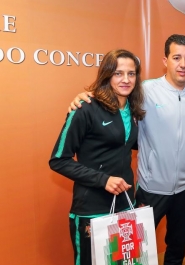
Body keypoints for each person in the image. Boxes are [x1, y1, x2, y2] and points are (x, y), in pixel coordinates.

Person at [68, 34, 185, 265]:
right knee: (135, 252)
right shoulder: (144, 90)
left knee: (177, 245)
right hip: (150, 188)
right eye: (176, 57)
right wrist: (85, 96)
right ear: (165, 60)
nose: (183, 64)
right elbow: (112, 96)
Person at [49, 49, 145, 265]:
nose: (126, 79)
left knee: (125, 262)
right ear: (107, 75)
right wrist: (103, 180)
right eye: (118, 73)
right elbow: (58, 160)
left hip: (125, 203)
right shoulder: (85, 109)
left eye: (131, 74)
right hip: (92, 207)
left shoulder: (133, 109)